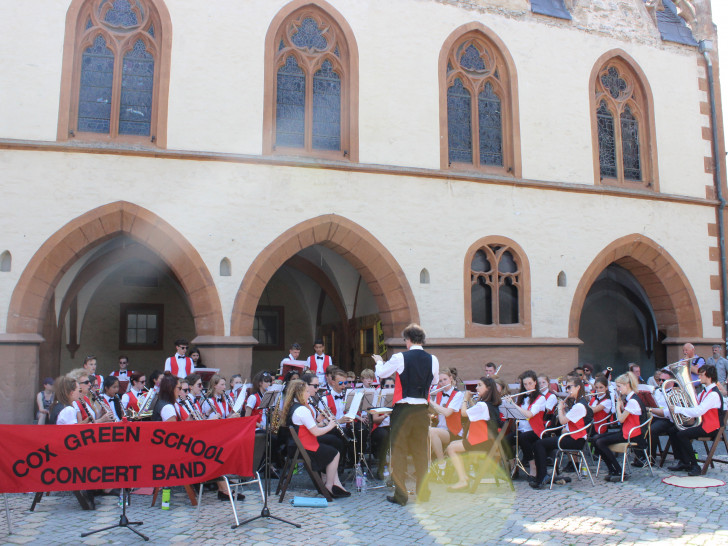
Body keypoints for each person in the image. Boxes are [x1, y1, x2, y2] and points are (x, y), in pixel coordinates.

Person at [374, 323, 439, 506]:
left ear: (408, 340)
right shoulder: (433, 359)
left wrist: (379, 361)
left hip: (403, 409)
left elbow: (382, 373)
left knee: (399, 452)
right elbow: (433, 380)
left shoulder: (400, 357)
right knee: (420, 452)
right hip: (421, 410)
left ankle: (401, 495)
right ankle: (423, 492)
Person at [283, 379, 350, 498]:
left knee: (331, 447)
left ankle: (334, 483)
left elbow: (310, 428)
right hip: (304, 447)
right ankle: (329, 486)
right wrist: (330, 425)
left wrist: (324, 423)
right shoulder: (302, 410)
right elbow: (316, 432)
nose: (309, 394)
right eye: (307, 392)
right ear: (300, 393)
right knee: (334, 453)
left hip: (298, 445)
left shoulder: (294, 407)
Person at [530, 377, 592, 489]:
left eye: (569, 387)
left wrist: (559, 408)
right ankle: (544, 475)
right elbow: (567, 422)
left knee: (539, 444)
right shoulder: (578, 403)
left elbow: (563, 420)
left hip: (576, 440)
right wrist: (563, 409)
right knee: (539, 444)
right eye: (566, 387)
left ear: (578, 387)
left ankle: (542, 477)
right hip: (573, 437)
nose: (567, 390)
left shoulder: (579, 405)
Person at [445, 377, 501, 492]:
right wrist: (471, 400)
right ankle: (464, 475)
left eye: (480, 385)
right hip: (489, 441)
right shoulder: (488, 404)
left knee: (451, 448)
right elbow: (475, 411)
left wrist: (465, 399)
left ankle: (463, 480)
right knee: (454, 443)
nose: (476, 388)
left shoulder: (483, 405)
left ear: (488, 388)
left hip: (483, 442)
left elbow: (464, 413)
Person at [667, 364, 725, 476]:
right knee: (673, 430)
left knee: (682, 435)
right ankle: (684, 461)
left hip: (711, 427)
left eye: (701, 375)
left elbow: (698, 411)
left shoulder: (713, 394)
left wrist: (678, 409)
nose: (699, 377)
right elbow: (693, 407)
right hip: (703, 424)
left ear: (709, 377)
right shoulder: (704, 392)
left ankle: (695, 465)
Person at [592, 372, 646, 482]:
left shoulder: (633, 401)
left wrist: (617, 406)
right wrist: (621, 406)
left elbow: (621, 419)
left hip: (633, 434)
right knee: (595, 439)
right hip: (627, 431)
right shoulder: (630, 399)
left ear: (627, 385)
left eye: (619, 386)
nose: (617, 389)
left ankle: (618, 470)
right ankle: (612, 470)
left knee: (600, 442)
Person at [508, 370, 546, 479]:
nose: (528, 387)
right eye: (525, 384)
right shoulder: (522, 397)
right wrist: (509, 405)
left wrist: (514, 405)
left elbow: (529, 414)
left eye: (530, 383)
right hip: (521, 429)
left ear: (535, 383)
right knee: (504, 441)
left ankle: (532, 466)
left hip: (535, 430)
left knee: (523, 438)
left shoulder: (541, 398)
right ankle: (514, 466)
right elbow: (515, 414)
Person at [428, 369, 464, 474]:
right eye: (440, 381)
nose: (443, 383)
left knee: (431, 431)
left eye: (445, 379)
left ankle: (441, 463)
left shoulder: (458, 394)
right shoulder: (439, 395)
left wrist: (430, 401)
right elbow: (435, 412)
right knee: (424, 430)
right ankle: (428, 465)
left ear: (451, 379)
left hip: (453, 431)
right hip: (440, 429)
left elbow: (448, 413)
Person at [371, 376, 395, 480]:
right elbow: (375, 419)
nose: (389, 388)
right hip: (380, 427)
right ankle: (382, 466)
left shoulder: (398, 398)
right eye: (387, 386)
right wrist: (385, 415)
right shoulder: (378, 398)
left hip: (394, 426)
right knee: (384, 436)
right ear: (382, 386)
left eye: (392, 386)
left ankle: (398, 469)